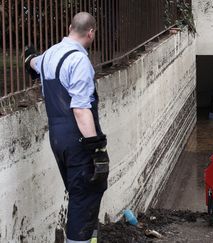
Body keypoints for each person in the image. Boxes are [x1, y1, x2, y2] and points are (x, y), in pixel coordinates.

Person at [24, 12, 109, 243]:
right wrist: (97, 148)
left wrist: (28, 57)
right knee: (86, 194)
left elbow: (33, 63)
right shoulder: (79, 61)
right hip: (77, 139)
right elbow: (81, 109)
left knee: (78, 192)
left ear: (71, 27)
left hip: (57, 139)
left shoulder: (50, 54)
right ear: (91, 32)